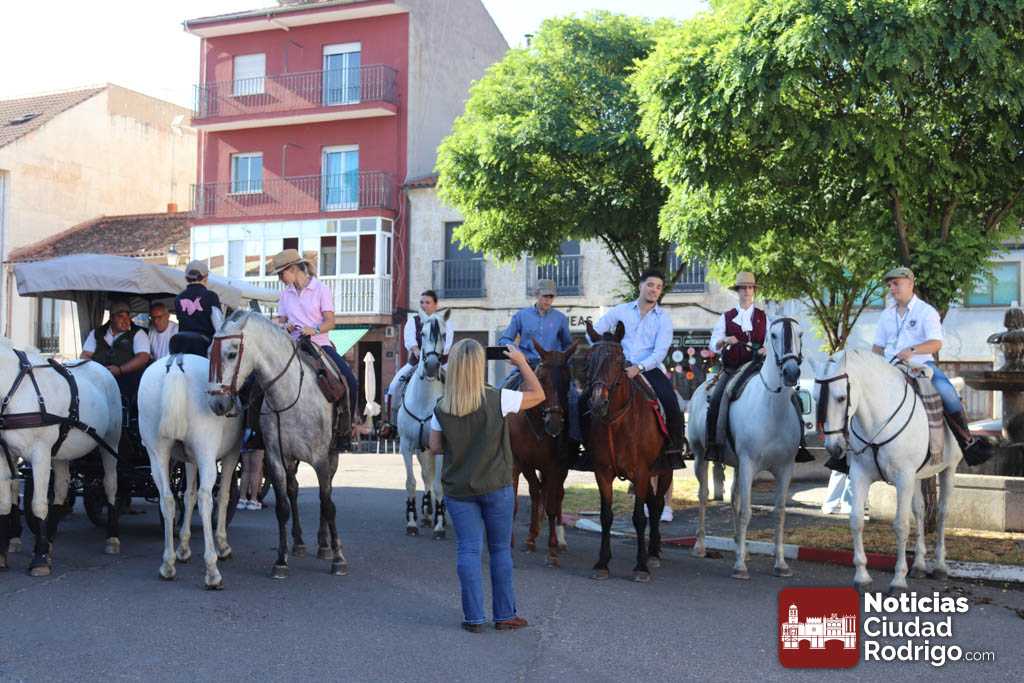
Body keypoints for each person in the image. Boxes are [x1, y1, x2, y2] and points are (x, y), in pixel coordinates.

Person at [428, 339, 544, 633]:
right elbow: (539, 394)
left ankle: (474, 618)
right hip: (496, 486)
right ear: (480, 365)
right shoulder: (498, 398)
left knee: (468, 550)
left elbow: (435, 447)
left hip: (458, 490)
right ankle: (504, 615)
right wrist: (522, 363)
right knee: (500, 550)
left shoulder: (441, 407)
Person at [836, 265, 992, 469]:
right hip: (889, 368)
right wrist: (872, 367)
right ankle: (846, 451)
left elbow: (936, 343)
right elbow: (878, 347)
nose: (892, 288)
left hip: (921, 365)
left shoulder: (926, 311)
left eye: (896, 284)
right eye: (890, 285)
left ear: (910, 284)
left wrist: (912, 349)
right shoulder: (886, 315)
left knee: (948, 393)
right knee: (856, 395)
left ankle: (967, 442)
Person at [592, 270, 685, 460]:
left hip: (648, 369)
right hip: (616, 368)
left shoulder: (663, 319)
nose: (654, 290)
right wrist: (605, 348)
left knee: (671, 402)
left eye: (658, 287)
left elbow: (660, 352)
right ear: (640, 286)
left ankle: (673, 451)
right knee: (586, 399)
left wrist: (639, 367)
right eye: (650, 285)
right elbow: (594, 331)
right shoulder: (620, 311)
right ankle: (587, 448)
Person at [272, 249, 360, 424]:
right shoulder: (285, 294)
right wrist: (284, 327)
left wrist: (314, 330)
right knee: (259, 379)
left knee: (350, 381)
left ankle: (347, 425)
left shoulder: (321, 289)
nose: (279, 279)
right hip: (291, 346)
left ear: (292, 269)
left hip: (319, 345)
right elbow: (280, 321)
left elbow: (330, 322)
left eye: (281, 274)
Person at [705, 271, 768, 462]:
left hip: (759, 368)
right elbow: (713, 344)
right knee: (717, 399)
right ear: (738, 291)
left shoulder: (764, 317)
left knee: (789, 395)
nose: (747, 291)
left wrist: (767, 348)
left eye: (750, 288)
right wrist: (724, 340)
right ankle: (714, 444)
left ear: (754, 291)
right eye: (743, 288)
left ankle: (797, 444)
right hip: (733, 369)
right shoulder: (727, 317)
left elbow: (772, 341)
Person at [382, 290, 455, 430]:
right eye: (422, 302)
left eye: (427, 302)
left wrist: (434, 354)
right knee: (394, 386)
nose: (424, 305)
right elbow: (409, 341)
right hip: (416, 363)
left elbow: (447, 345)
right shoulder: (413, 321)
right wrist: (416, 350)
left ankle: (456, 422)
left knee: (457, 386)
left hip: (441, 364)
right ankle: (391, 424)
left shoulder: (445, 322)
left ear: (435, 305)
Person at [497, 279, 572, 389]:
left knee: (573, 395)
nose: (548, 300)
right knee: (501, 392)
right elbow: (504, 340)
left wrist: (561, 361)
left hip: (553, 369)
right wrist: (518, 353)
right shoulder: (521, 316)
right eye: (545, 296)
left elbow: (568, 345)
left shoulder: (561, 319)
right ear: (537, 294)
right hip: (526, 367)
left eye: (551, 297)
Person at [81, 299, 151, 396]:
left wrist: (120, 370)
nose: (126, 320)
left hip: (128, 384)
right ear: (112, 318)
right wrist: (95, 371)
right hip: (98, 382)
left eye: (128, 316)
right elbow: (85, 355)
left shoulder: (138, 333)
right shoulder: (97, 333)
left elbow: (143, 357)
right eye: (121, 316)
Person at [170, 259, 224, 357]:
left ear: (186, 278)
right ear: (206, 277)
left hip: (181, 344)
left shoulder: (178, 298)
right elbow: (219, 326)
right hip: (203, 347)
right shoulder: (211, 296)